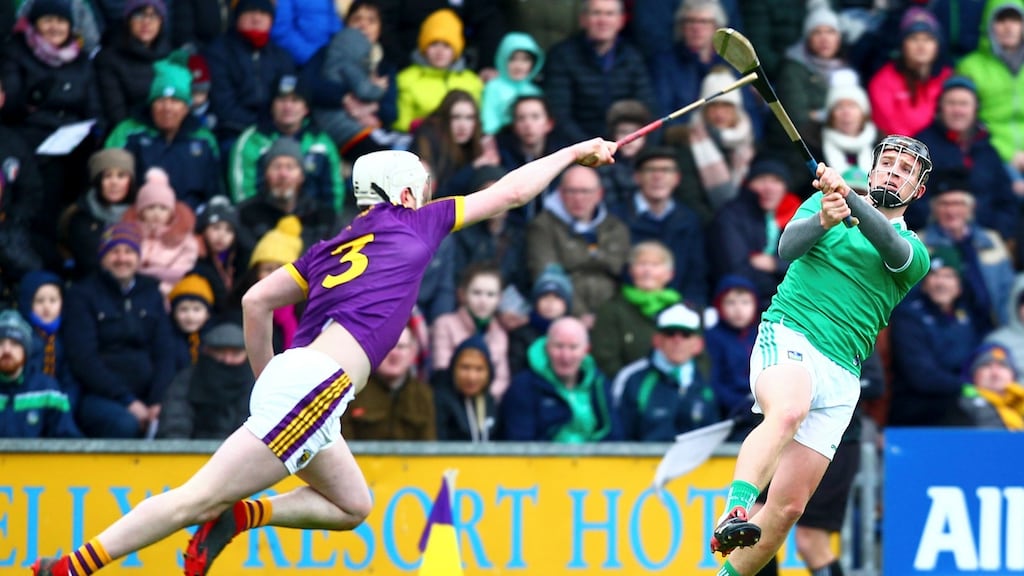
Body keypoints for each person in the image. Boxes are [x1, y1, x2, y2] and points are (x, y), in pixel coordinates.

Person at [30, 135, 617, 575]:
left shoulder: (328, 247)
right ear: (408, 193)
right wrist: (576, 152)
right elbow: (513, 191)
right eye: (426, 189)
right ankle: (69, 568)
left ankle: (244, 517)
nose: (433, 198)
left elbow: (257, 300)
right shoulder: (418, 222)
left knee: (352, 505)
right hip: (314, 387)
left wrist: (271, 381)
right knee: (197, 496)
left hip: (303, 383)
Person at [708, 134, 933, 574]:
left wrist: (847, 196)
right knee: (788, 411)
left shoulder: (916, 252)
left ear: (917, 191)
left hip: (844, 372)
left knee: (788, 508)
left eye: (906, 171)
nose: (893, 172)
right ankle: (734, 509)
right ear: (871, 171)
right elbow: (786, 248)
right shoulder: (825, 205)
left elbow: (889, 245)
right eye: (887, 163)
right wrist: (825, 218)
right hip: (791, 334)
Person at [497, 316, 621, 442]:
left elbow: (615, 436)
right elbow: (520, 443)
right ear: (547, 348)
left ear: (586, 351)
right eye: (558, 346)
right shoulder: (524, 386)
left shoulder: (599, 383)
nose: (565, 356)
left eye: (573, 347)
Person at [612, 302, 720, 441]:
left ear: (698, 345)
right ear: (657, 340)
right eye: (670, 333)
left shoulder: (705, 381)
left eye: (686, 334)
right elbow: (620, 437)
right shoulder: (633, 379)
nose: (677, 340)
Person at [340, 325, 436, 440]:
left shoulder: (423, 395)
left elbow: (430, 448)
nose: (394, 353)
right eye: (388, 347)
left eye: (401, 347)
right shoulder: (354, 391)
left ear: (412, 353)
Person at [0, 309, 81, 439]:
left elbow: (67, 442)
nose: (7, 350)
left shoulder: (48, 391)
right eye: (0, 344)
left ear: (26, 351)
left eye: (14, 344)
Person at [432, 334, 498, 441]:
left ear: (489, 372)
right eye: (465, 367)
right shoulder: (439, 402)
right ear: (453, 369)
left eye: (479, 369)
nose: (471, 377)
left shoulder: (490, 402)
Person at [958, 342, 1024, 429]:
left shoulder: (1020, 400)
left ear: (1013, 374)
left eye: (1002, 366)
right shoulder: (961, 407)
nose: (995, 373)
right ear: (973, 375)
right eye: (986, 366)